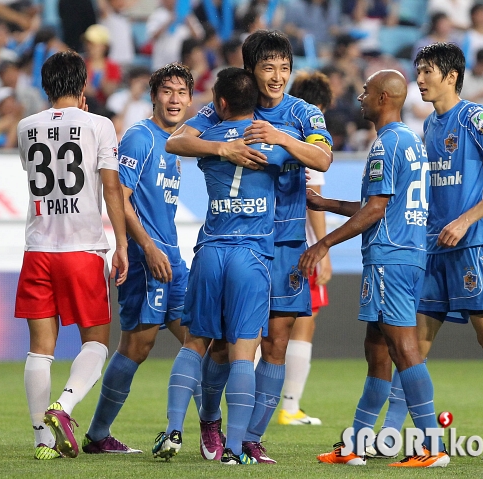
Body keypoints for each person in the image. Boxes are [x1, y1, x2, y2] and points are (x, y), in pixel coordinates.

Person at [165, 30, 333, 464]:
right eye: (268, 67)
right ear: (251, 70)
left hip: (286, 244)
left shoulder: (303, 113)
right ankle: (210, 424)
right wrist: (225, 149)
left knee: (275, 343)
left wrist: (281, 139)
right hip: (244, 242)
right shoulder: (230, 106)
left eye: (284, 67)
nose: (277, 76)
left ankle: (251, 438)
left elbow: (323, 159)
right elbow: (179, 140)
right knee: (226, 344)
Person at [376, 42, 483, 461]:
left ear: (451, 76)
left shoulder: (475, 117)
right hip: (434, 248)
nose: (418, 79)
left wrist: (464, 221)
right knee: (411, 346)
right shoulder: (429, 126)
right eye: (417, 71)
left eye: (426, 71)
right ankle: (388, 436)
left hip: (472, 244)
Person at [300, 69, 449, 468]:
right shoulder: (409, 142)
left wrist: (323, 243)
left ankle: (432, 446)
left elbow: (376, 211)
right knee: (378, 351)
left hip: (390, 256)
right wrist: (326, 204)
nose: (360, 97)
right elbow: (379, 206)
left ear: (384, 98)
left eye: (366, 91)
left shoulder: (386, 146)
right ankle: (357, 445)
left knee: (404, 349)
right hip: (406, 254)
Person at [152, 67, 292, 465]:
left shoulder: (207, 136)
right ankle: (234, 449)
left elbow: (175, 143)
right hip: (252, 255)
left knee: (196, 342)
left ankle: (174, 429)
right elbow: (316, 160)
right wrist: (283, 137)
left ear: (221, 103)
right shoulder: (269, 139)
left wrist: (220, 148)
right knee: (243, 353)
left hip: (211, 250)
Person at [15, 50, 128, 460]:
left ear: (46, 86)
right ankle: (62, 406)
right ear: (84, 86)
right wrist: (123, 245)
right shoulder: (100, 125)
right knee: (96, 342)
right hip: (82, 249)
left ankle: (42, 442)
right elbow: (111, 188)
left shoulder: (26, 128)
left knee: (39, 349)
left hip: (39, 248)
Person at [81, 62, 195, 456]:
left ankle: (210, 434)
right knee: (136, 347)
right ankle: (98, 435)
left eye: (181, 92)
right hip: (150, 260)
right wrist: (145, 247)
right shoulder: (139, 137)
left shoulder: (176, 143)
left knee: (202, 342)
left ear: (190, 99)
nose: (175, 99)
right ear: (154, 96)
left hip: (173, 257)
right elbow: (121, 199)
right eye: (167, 91)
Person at [278, 70, 333, 426]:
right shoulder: (310, 137)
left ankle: (252, 403)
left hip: (267, 239)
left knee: (262, 324)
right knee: (305, 321)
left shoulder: (277, 125)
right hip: (300, 245)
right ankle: (289, 407)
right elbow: (313, 198)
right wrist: (323, 249)